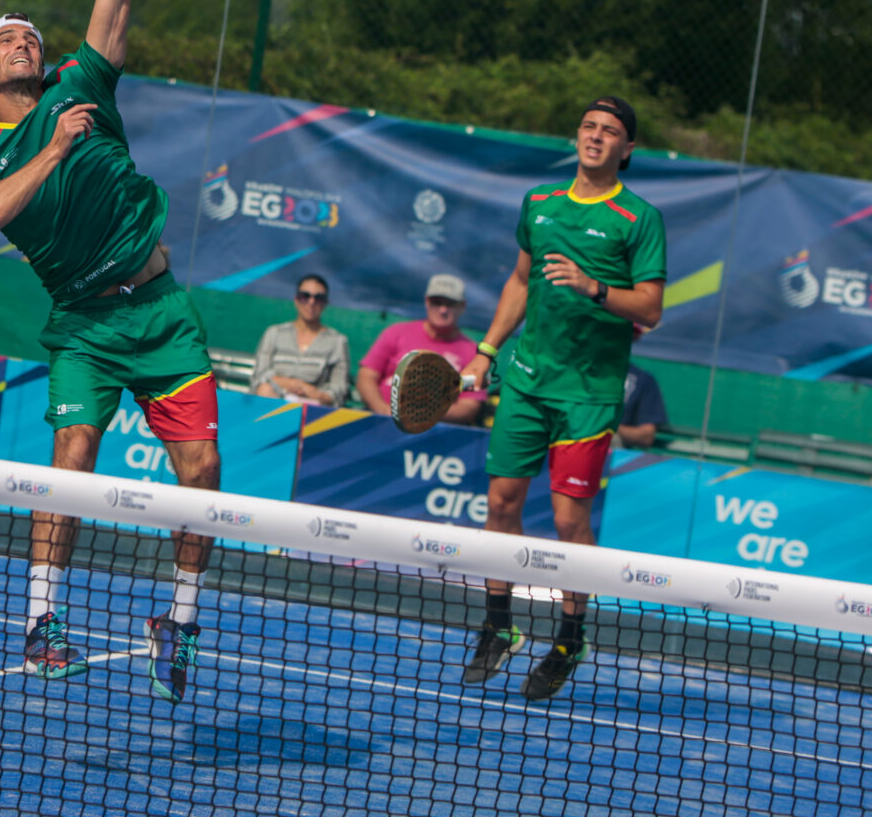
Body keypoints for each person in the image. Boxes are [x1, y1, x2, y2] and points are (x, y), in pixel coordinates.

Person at [0, 0, 220, 705]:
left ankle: (179, 620)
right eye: (9, 39)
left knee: (202, 472)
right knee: (72, 453)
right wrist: (56, 150)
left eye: (32, 35)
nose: (26, 42)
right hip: (84, 325)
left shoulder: (81, 84)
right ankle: (43, 620)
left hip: (162, 310)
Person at [458, 97, 666, 700]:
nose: (596, 136)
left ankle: (570, 639)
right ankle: (498, 626)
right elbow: (520, 281)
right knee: (501, 503)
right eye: (589, 127)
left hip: (589, 395)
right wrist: (486, 351)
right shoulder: (540, 203)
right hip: (525, 380)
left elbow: (650, 308)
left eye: (610, 131)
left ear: (627, 149)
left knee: (571, 520)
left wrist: (593, 286)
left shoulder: (638, 219)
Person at [357, 274, 481, 424]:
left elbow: (469, 406)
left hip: (434, 430)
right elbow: (366, 376)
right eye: (437, 302)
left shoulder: (472, 352)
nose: (443, 310)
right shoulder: (396, 333)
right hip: (381, 420)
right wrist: (382, 410)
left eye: (450, 304)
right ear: (427, 302)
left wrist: (424, 413)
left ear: (462, 306)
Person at [251, 273, 350, 407]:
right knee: (265, 390)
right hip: (273, 403)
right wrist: (295, 385)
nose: (311, 302)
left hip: (313, 408)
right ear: (296, 299)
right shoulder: (274, 333)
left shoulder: (337, 341)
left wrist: (315, 394)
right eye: (305, 296)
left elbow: (339, 389)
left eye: (318, 298)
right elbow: (259, 376)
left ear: (326, 303)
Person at [617, 360, 671, 449]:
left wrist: (610, 429)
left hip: (613, 446)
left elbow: (647, 436)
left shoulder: (643, 379)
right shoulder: (591, 373)